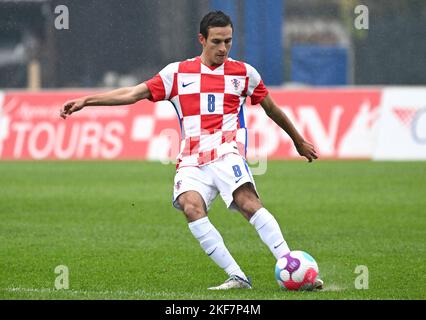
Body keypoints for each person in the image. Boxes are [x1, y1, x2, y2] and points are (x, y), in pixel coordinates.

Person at [60, 11, 322, 290]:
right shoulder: (176, 73)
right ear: (202, 39)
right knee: (191, 207)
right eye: (217, 41)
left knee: (247, 202)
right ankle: (237, 276)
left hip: (226, 151)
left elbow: (272, 109)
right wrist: (87, 100)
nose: (223, 48)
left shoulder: (244, 73)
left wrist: (297, 140)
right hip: (191, 159)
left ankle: (291, 265)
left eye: (228, 42)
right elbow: (133, 94)